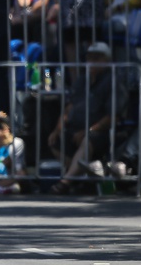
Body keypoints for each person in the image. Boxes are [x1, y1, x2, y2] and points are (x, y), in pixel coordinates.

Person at [47, 42, 127, 194]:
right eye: (90, 58)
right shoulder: (81, 81)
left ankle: (66, 181)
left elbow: (113, 116)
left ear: (107, 60)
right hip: (75, 130)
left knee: (88, 139)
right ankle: (85, 171)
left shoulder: (113, 81)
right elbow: (69, 106)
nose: (92, 61)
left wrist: (87, 130)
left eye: (97, 58)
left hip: (102, 133)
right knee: (54, 140)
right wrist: (58, 128)